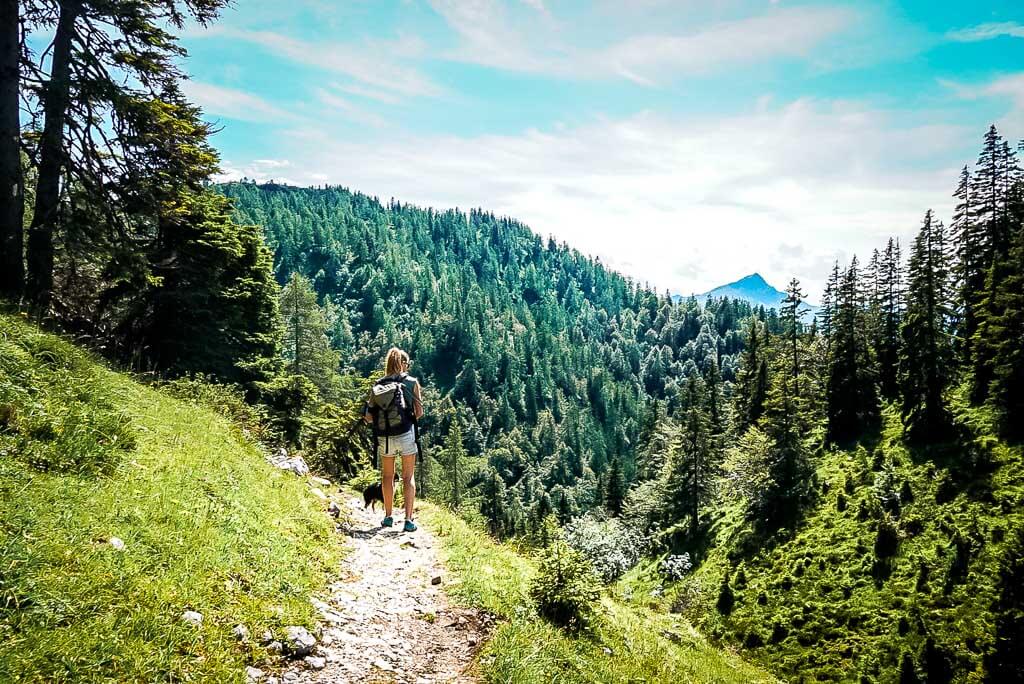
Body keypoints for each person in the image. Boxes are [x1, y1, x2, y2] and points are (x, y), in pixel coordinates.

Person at [363, 347, 423, 532]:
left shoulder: (378, 385)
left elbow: (368, 417)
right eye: (407, 363)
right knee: (407, 476)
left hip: (385, 437)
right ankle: (408, 520)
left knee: (387, 477)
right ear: (403, 364)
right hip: (406, 434)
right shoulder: (412, 382)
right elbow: (419, 412)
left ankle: (388, 517)